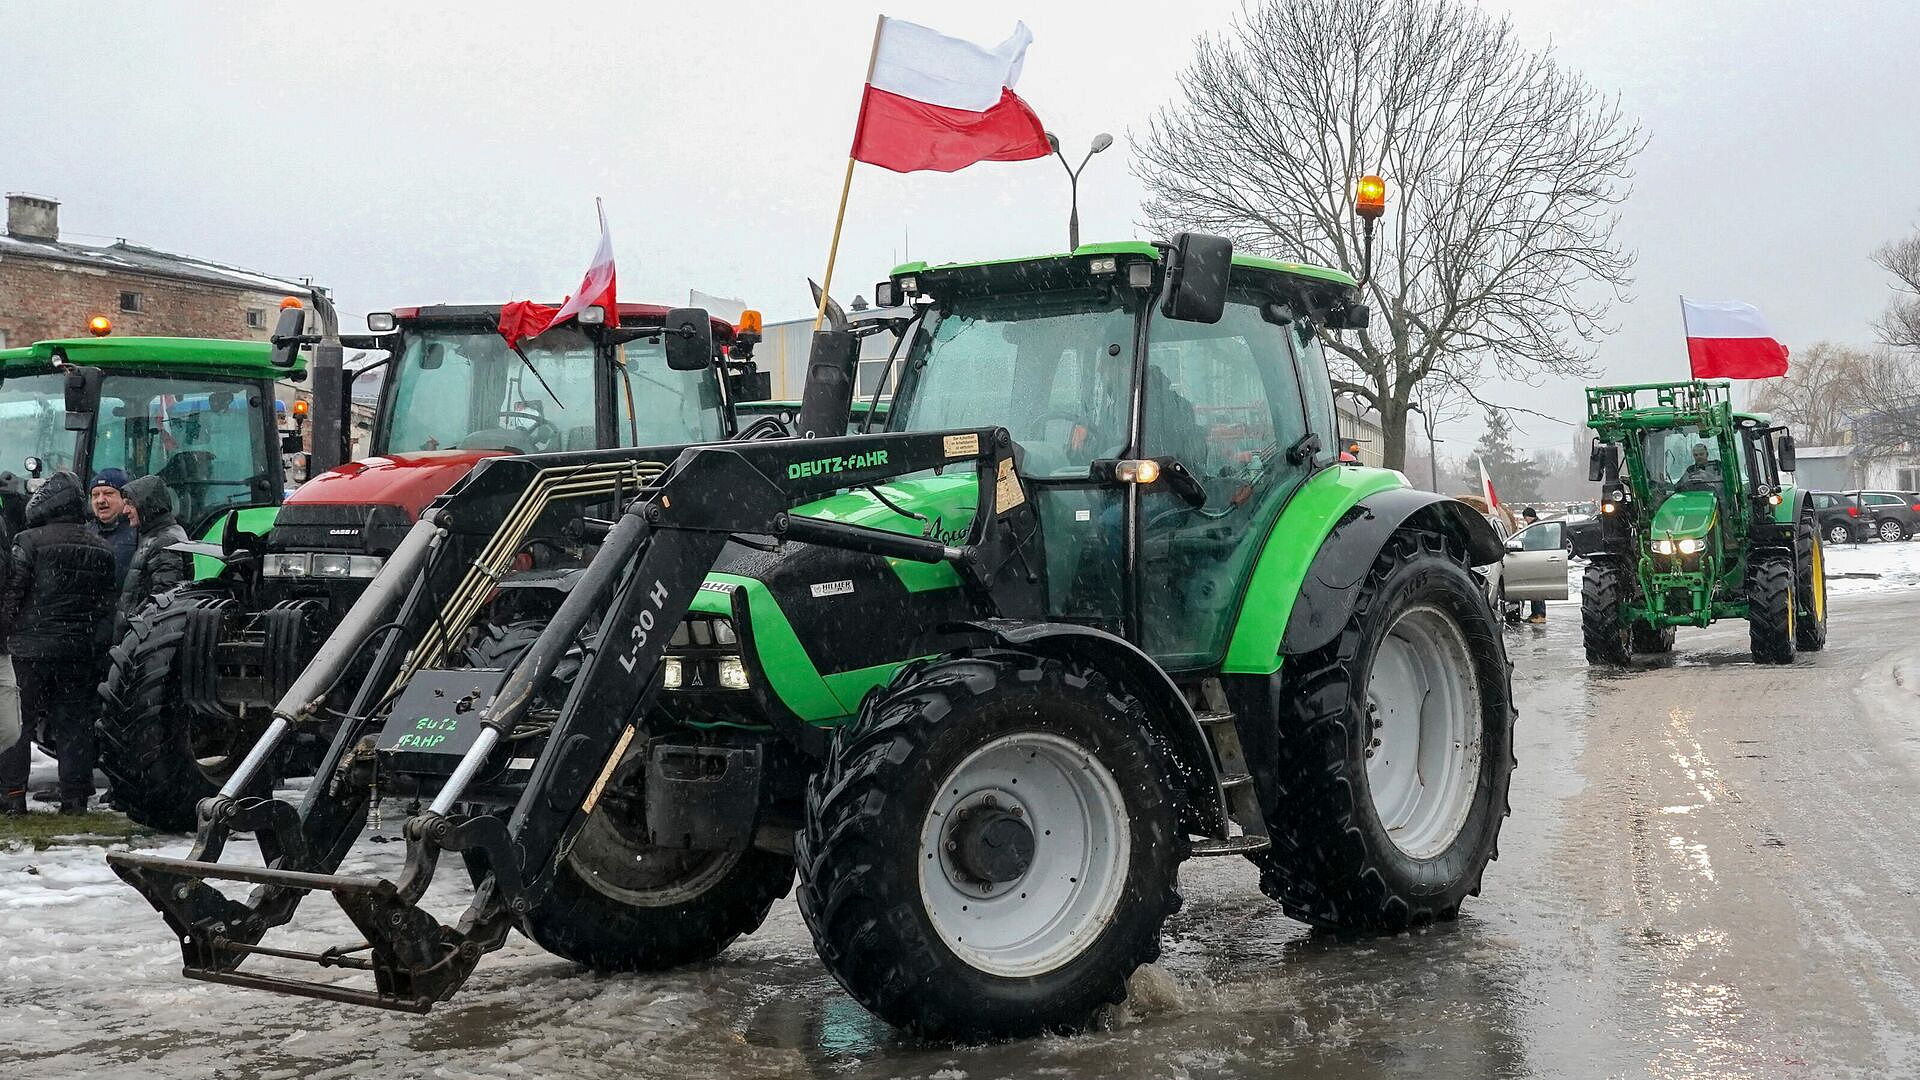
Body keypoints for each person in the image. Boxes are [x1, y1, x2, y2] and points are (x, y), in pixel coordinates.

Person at [0, 472, 118, 815]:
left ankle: (12, 796)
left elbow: (12, 596)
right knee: (74, 725)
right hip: (79, 652)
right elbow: (108, 606)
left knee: (17, 725)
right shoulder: (102, 547)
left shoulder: (28, 541)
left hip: (29, 650)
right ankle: (75, 798)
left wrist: (5, 637)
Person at [114, 474, 190, 638]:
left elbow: (163, 599)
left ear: (146, 505)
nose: (125, 510)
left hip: (143, 638)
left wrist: (133, 623)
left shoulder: (164, 541)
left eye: (130, 504)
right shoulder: (157, 535)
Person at [87, 468, 136, 589]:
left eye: (108, 494)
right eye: (95, 495)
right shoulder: (85, 533)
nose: (100, 500)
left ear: (125, 498)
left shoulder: (138, 531)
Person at [1521, 506, 1547, 625]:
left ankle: (1539, 614)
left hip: (1537, 559)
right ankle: (1535, 613)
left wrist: (1523, 541)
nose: (1525, 520)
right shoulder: (1536, 525)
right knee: (1534, 588)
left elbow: (1533, 541)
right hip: (1535, 559)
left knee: (1537, 588)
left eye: (1525, 517)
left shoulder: (1536, 527)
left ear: (1529, 516)